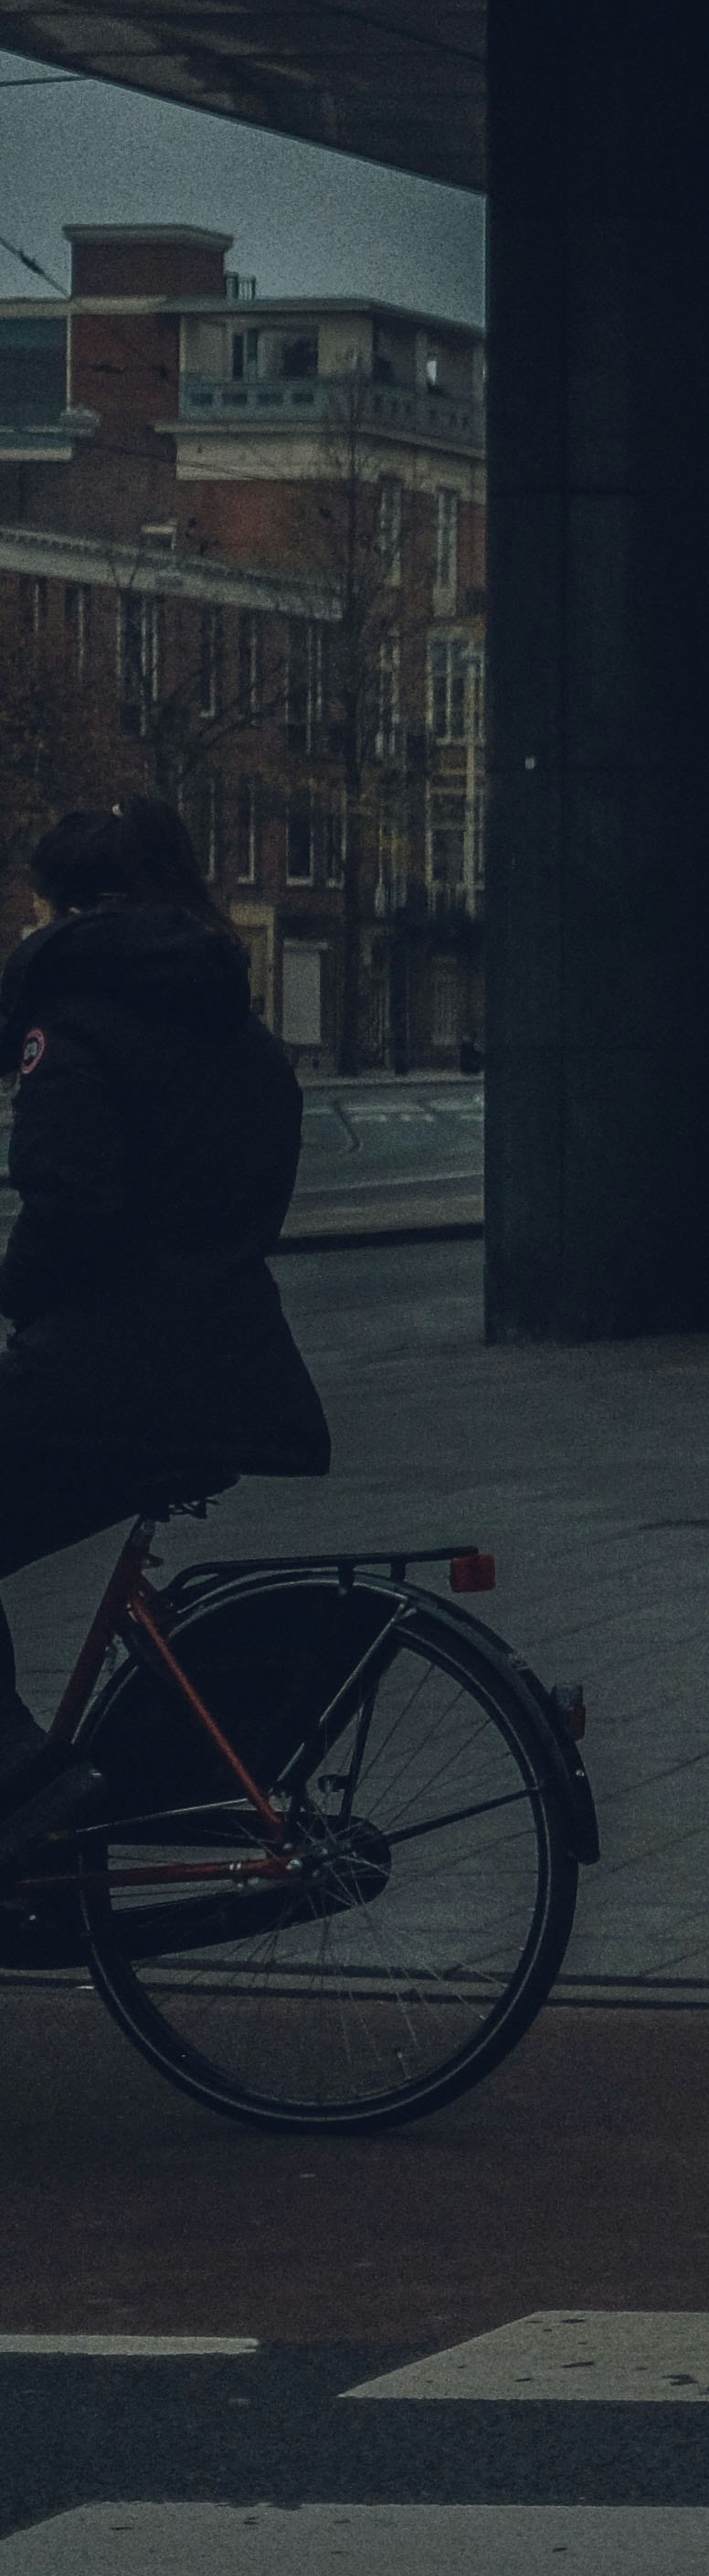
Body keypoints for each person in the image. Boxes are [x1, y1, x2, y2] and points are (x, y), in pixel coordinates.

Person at [0, 798, 323, 1865]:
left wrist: (14, 1294)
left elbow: (73, 1206)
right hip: (225, 1375)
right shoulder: (244, 1038)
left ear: (69, 911)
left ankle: (24, 1785)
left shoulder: (72, 1026)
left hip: (113, 1380)